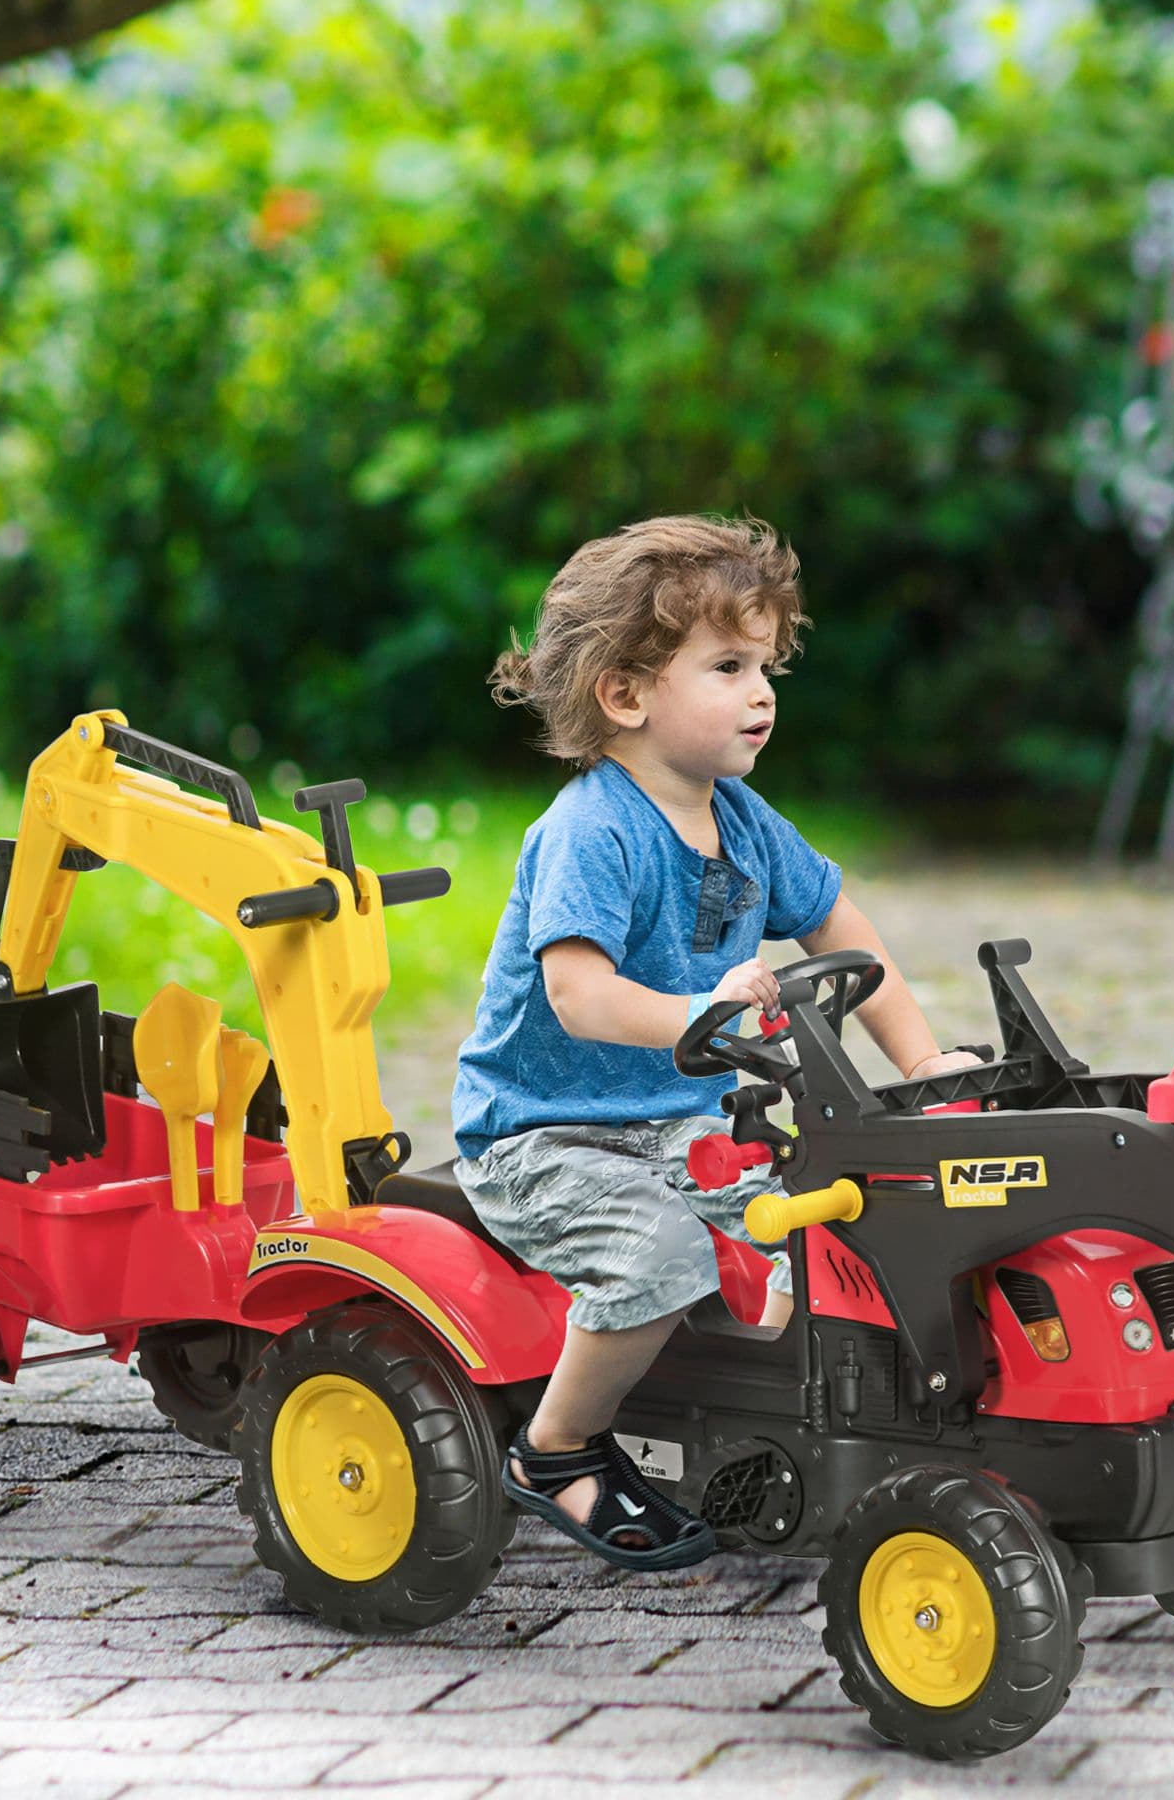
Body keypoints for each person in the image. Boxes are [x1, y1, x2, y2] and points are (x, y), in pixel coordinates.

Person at [449, 513, 980, 1570]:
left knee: (843, 1223)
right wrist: (703, 1013)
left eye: (767, 665)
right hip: (547, 1135)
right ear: (627, 693)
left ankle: (798, 1425)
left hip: (684, 1120)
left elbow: (839, 926)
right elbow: (578, 994)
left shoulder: (740, 818)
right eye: (728, 665)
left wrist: (919, 1059)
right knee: (660, 1256)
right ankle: (555, 1450)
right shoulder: (589, 829)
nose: (762, 691)